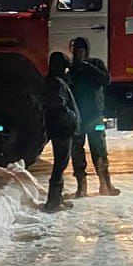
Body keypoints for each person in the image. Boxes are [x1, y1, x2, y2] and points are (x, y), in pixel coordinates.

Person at [67, 36, 120, 197]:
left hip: (95, 117)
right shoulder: (71, 69)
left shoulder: (95, 64)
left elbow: (106, 80)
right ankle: (81, 187)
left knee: (100, 151)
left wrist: (87, 67)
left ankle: (106, 184)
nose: (80, 53)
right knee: (77, 152)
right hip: (78, 118)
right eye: (77, 50)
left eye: (82, 50)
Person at [42, 51, 80, 211]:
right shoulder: (56, 83)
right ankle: (53, 201)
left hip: (59, 127)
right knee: (60, 164)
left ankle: (57, 198)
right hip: (62, 128)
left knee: (61, 163)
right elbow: (58, 105)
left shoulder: (54, 81)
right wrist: (72, 118)